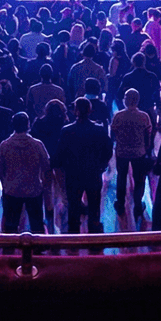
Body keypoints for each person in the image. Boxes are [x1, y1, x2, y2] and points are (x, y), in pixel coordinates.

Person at [52, 97, 113, 233]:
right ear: (90, 110)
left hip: (73, 174)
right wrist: (102, 164)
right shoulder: (99, 130)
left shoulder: (67, 131)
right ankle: (94, 234)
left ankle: (74, 236)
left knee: (73, 207)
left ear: (75, 111)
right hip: (93, 172)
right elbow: (108, 150)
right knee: (94, 206)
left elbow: (60, 153)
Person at [0, 112, 50, 232]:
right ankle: (37, 249)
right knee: (36, 224)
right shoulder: (37, 144)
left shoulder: (5, 145)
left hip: (12, 189)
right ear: (28, 125)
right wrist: (44, 186)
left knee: (10, 224)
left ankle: (9, 248)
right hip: (34, 189)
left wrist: (6, 183)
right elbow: (46, 167)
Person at [109, 87, 154, 215]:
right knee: (139, 179)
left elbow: (113, 133)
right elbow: (148, 135)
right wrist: (146, 148)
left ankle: (121, 203)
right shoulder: (144, 116)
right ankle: (138, 205)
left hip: (122, 151)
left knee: (121, 177)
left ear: (125, 100)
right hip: (139, 152)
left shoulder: (118, 116)